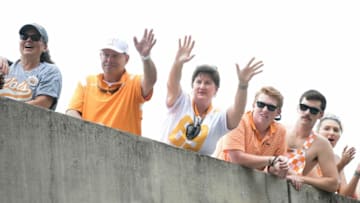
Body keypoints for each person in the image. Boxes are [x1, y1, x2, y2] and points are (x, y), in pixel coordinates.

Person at [160, 35, 263, 156]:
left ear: (216, 90)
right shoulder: (181, 101)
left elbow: (237, 111)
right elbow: (172, 84)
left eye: (208, 83)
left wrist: (243, 85)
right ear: (192, 86)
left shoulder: (217, 117)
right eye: (198, 82)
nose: (202, 86)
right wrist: (178, 64)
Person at [66, 29, 157, 136]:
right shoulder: (86, 83)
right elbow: (71, 112)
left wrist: (145, 57)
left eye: (115, 56)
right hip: (89, 147)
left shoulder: (134, 83)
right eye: (106, 55)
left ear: (126, 59)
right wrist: (90, 132)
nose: (109, 60)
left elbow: (150, 80)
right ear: (100, 56)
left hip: (124, 150)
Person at [213, 86, 289, 178]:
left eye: (271, 107)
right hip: (223, 175)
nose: (265, 110)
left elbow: (274, 169)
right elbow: (237, 158)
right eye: (261, 104)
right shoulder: (238, 120)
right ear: (253, 105)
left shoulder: (281, 131)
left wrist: (279, 167)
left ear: (278, 112)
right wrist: (271, 160)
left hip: (250, 184)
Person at [286, 89, 339, 192]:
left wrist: (302, 179)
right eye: (304, 107)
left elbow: (333, 183)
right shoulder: (281, 130)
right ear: (298, 108)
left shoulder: (321, 144)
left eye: (313, 110)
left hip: (291, 194)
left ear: (321, 114)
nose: (307, 112)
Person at [0, 23, 62, 110]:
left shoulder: (50, 71)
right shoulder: (4, 68)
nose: (28, 40)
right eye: (24, 36)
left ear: (45, 47)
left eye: (35, 37)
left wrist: (6, 110)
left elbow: (42, 103)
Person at [311, 114, 359, 198]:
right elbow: (318, 184)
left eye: (336, 130)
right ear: (317, 132)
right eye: (327, 128)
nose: (332, 132)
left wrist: (357, 173)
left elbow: (344, 195)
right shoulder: (309, 152)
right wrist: (341, 164)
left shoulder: (337, 159)